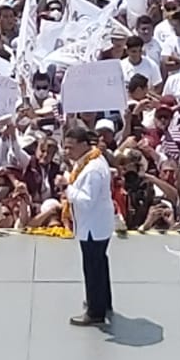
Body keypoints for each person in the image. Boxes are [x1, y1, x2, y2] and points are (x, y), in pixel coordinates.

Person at [60, 122, 115, 327]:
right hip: (97, 223)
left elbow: (86, 200)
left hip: (93, 225)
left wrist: (68, 189)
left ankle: (95, 311)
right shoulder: (88, 160)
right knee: (99, 263)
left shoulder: (92, 169)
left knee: (92, 267)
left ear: (84, 144)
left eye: (71, 147)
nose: (67, 151)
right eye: (65, 146)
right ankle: (102, 301)